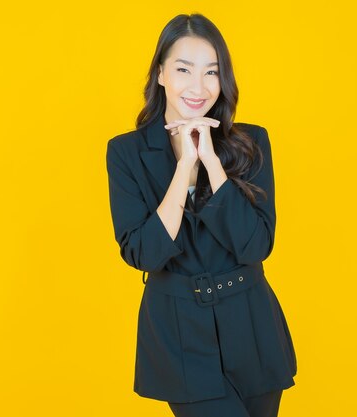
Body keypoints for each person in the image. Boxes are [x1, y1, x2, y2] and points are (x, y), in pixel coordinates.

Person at [105, 13, 297, 417]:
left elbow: (255, 245)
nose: (198, 86)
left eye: (211, 72)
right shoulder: (125, 152)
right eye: (183, 69)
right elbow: (144, 253)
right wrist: (184, 168)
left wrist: (212, 162)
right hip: (179, 333)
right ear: (160, 74)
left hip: (252, 325)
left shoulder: (251, 142)